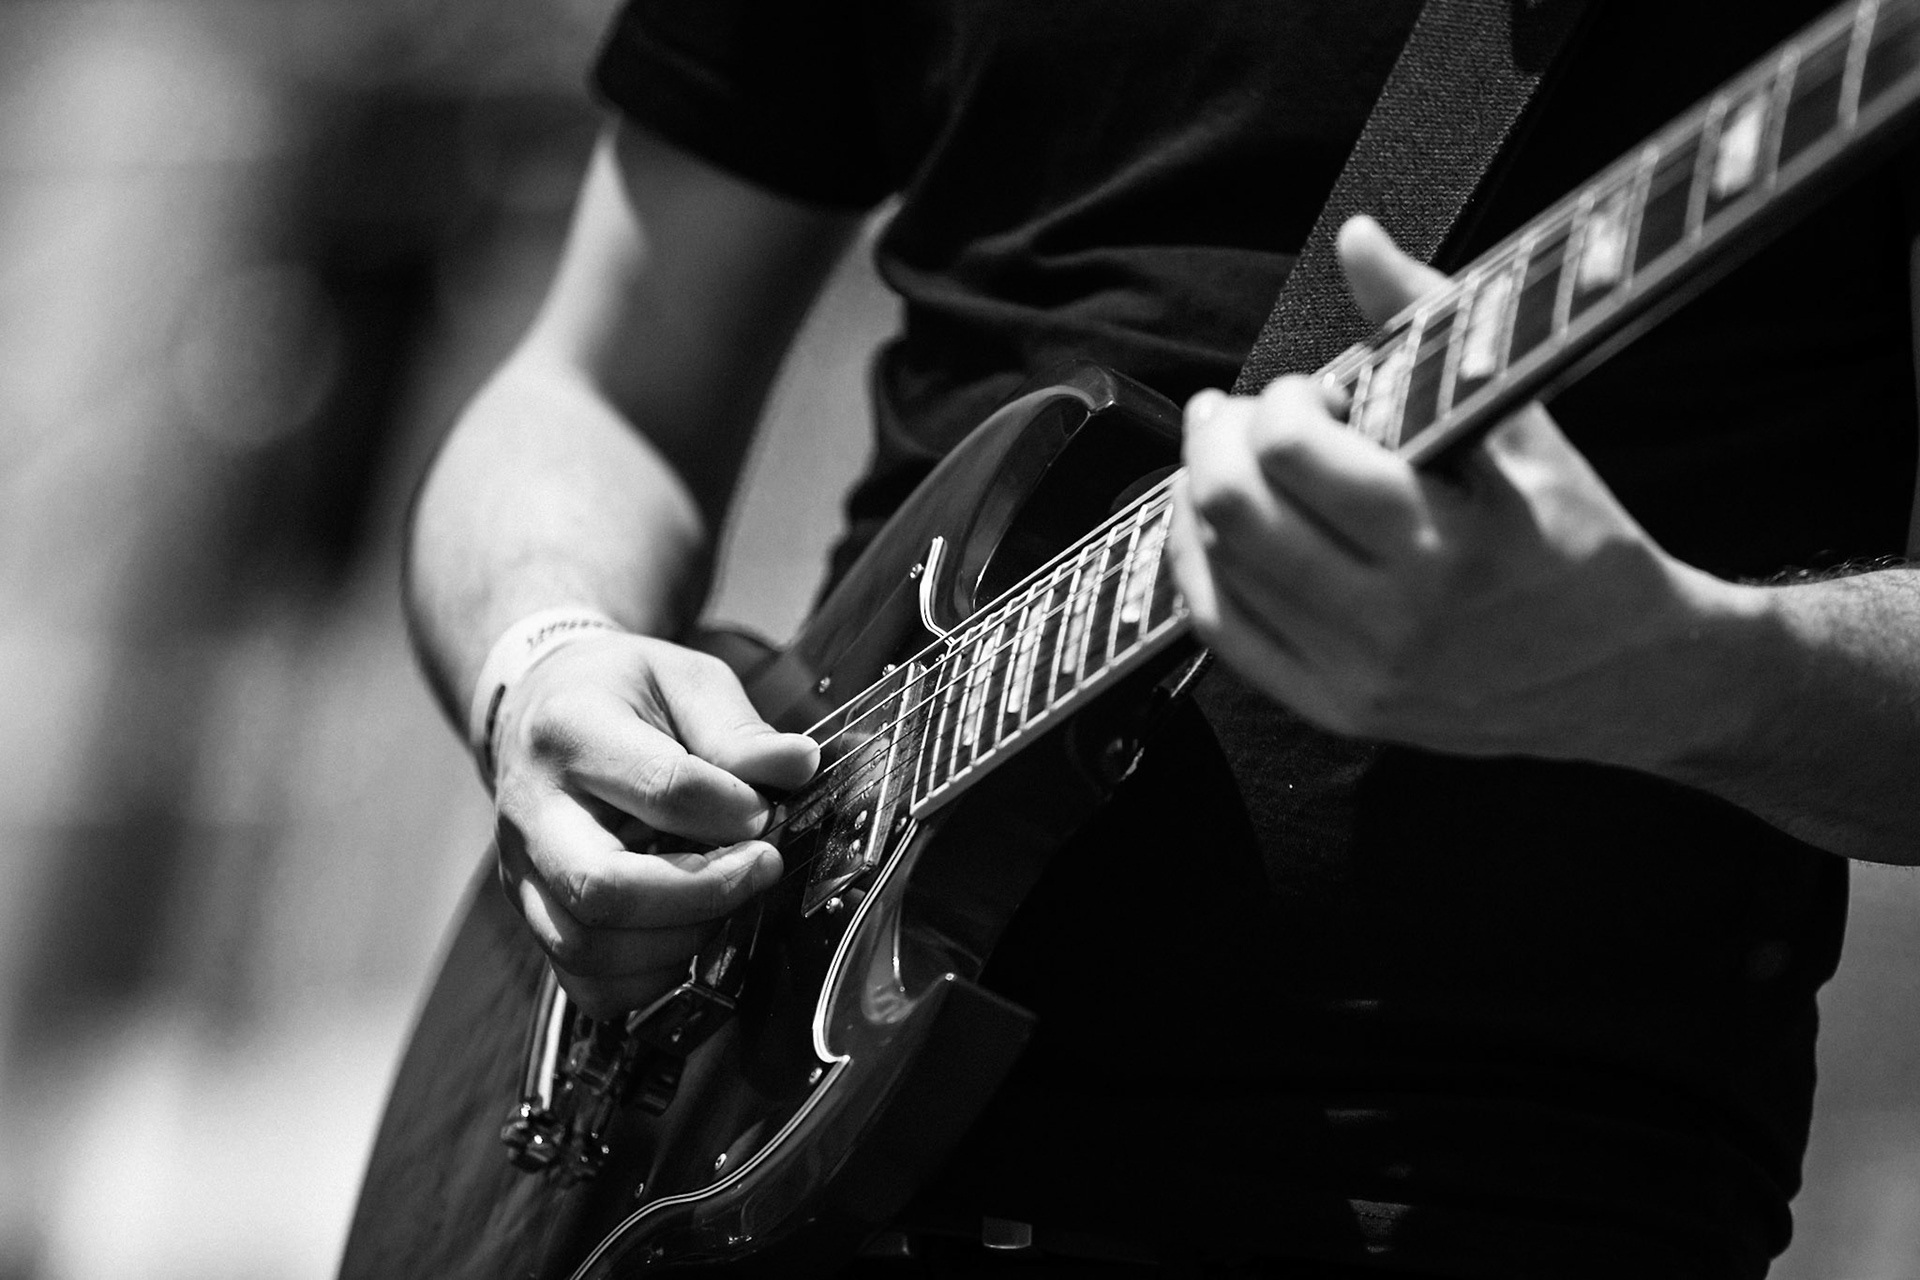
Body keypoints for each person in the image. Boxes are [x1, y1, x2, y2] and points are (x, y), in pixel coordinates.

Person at [401, 1, 1920, 1275]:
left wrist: (1691, 669)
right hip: (729, 1138)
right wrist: (541, 657)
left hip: (1483, 1197)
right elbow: (596, 384)